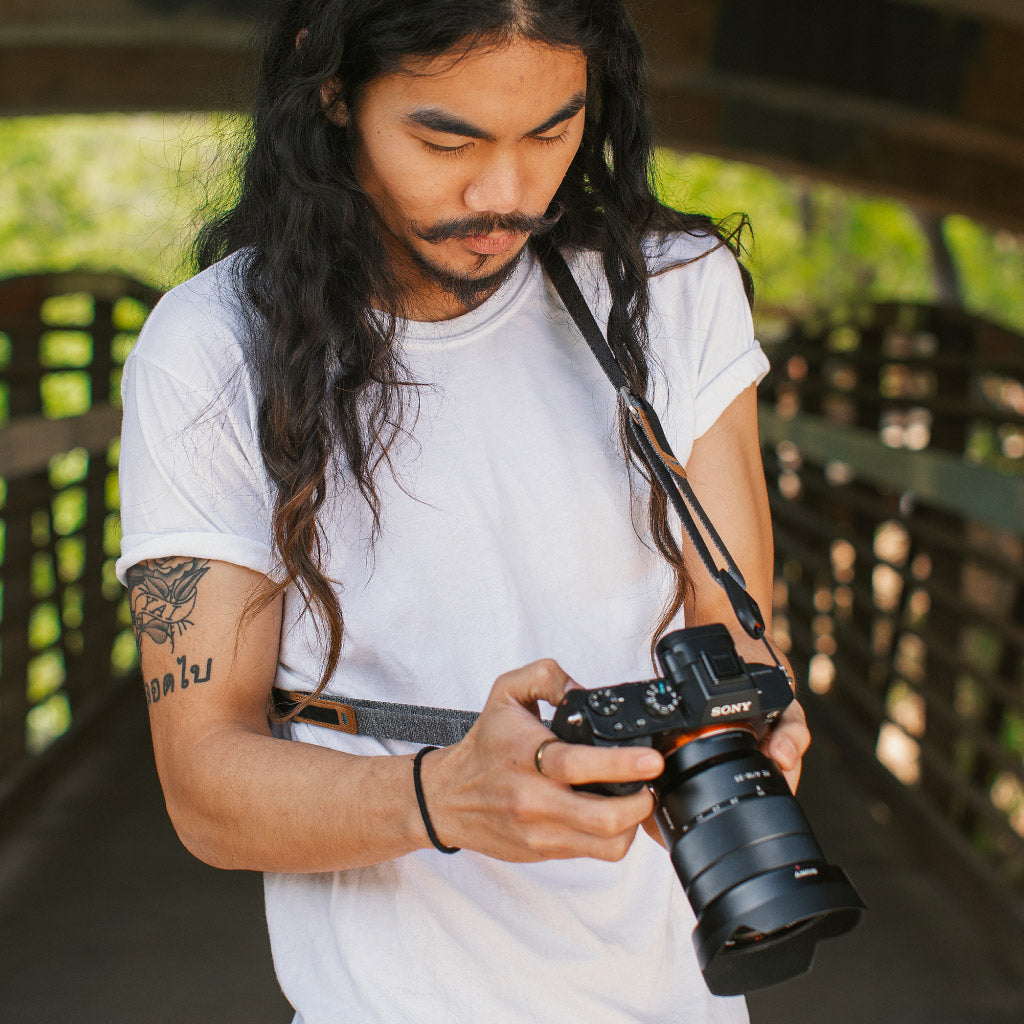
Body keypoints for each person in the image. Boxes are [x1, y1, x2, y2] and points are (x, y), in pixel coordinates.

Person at [117, 1, 810, 1021]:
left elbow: (738, 622)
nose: (507, 193)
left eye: (551, 133)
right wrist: (444, 795)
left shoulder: (671, 289)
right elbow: (204, 785)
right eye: (447, 139)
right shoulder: (214, 352)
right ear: (333, 91)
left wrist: (754, 724)